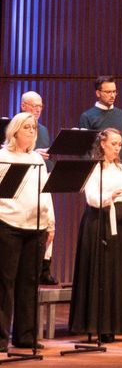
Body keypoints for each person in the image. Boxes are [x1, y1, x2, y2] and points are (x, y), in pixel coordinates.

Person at [69, 128, 122, 343]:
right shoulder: (94, 167)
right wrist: (112, 195)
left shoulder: (121, 169)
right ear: (102, 144)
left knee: (116, 273)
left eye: (120, 144)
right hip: (98, 221)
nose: (117, 148)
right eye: (113, 144)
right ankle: (95, 324)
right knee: (99, 272)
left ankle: (114, 325)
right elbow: (91, 197)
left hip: (119, 220)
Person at [0, 112, 55, 352]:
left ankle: (26, 335)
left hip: (36, 226)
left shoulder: (37, 160)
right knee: (5, 284)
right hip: (9, 224)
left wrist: (50, 223)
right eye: (26, 127)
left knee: (29, 283)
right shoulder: (2, 157)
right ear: (14, 131)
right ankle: (1, 338)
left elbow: (47, 192)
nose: (32, 131)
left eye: (33, 127)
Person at [21, 91, 57, 285]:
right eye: (33, 105)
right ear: (23, 106)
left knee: (48, 220)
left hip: (43, 178)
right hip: (23, 180)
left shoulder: (42, 129)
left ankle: (45, 267)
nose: (37, 109)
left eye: (40, 106)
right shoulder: (15, 126)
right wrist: (33, 154)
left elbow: (46, 155)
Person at [79, 76, 122, 172]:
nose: (112, 95)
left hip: (119, 168)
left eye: (114, 91)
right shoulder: (87, 116)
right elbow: (84, 151)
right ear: (98, 93)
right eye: (108, 92)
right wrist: (87, 172)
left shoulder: (121, 114)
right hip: (98, 170)